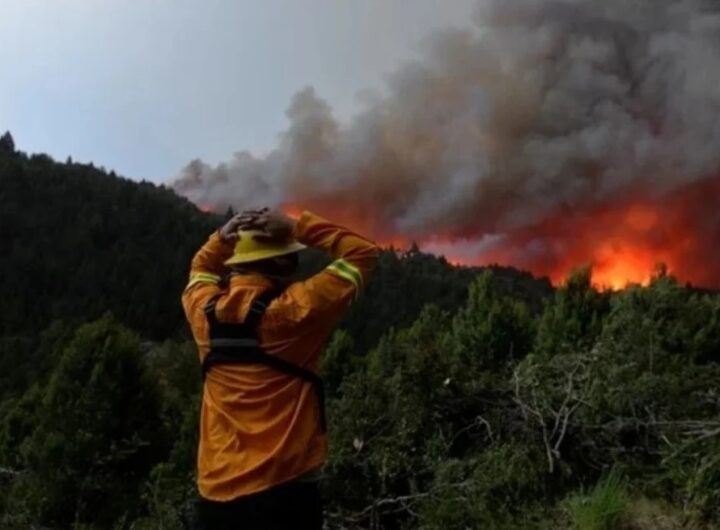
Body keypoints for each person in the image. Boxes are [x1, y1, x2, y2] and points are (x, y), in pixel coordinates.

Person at [182, 207, 378, 530]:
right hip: (285, 493)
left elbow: (199, 270)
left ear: (237, 263)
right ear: (284, 263)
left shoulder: (203, 312)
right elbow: (362, 253)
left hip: (215, 497)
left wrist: (221, 237)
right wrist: (297, 225)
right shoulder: (297, 311)